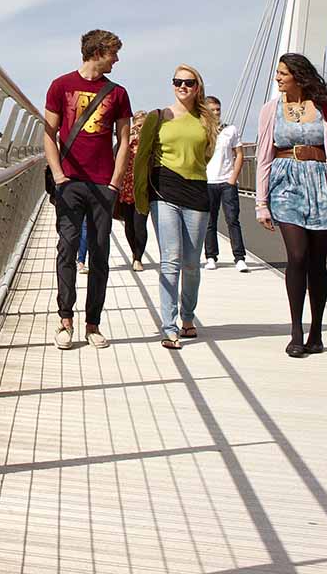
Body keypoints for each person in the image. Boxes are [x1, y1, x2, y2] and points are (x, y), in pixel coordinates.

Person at [256, 53, 327, 358]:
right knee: (297, 255)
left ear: (298, 75)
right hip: (285, 185)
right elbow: (264, 158)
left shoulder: (324, 107)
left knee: (317, 261)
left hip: (321, 185)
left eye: (283, 73)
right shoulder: (271, 110)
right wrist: (261, 203)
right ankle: (296, 331)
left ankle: (317, 331)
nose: (277, 78)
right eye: (277, 73)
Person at [44, 29, 132, 350]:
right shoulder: (61, 86)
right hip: (69, 181)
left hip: (102, 183)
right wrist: (58, 174)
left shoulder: (118, 93)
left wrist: (115, 181)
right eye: (113, 53)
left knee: (100, 253)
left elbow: (123, 141)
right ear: (98, 52)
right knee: (67, 248)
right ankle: (64, 319)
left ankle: (92, 323)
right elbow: (48, 133)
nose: (117, 59)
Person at [133, 65, 217, 349]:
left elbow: (205, 155)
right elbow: (141, 156)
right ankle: (168, 327)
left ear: (197, 87)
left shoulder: (205, 121)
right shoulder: (159, 117)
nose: (182, 86)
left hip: (196, 192)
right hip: (164, 191)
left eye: (189, 83)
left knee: (192, 263)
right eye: (177, 82)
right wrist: (139, 196)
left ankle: (187, 316)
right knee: (171, 259)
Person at [203, 96, 247, 272]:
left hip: (226, 181)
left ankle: (239, 257)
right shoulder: (201, 130)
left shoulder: (230, 130)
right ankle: (211, 257)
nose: (215, 113)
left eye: (218, 110)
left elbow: (240, 154)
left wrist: (233, 178)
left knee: (232, 219)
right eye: (212, 110)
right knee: (209, 221)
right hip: (207, 181)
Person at [119, 110, 150, 271]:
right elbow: (116, 155)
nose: (138, 128)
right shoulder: (127, 141)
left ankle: (138, 258)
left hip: (143, 188)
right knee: (129, 225)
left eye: (142, 126)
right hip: (126, 186)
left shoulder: (150, 142)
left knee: (140, 224)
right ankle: (134, 252)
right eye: (137, 125)